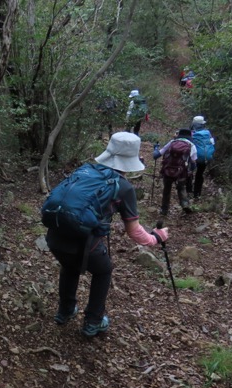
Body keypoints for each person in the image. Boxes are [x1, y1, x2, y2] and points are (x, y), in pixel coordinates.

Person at [46, 132, 168, 337]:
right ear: (129, 161)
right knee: (103, 271)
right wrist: (156, 237)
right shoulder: (124, 187)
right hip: (85, 244)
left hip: (55, 235)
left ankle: (65, 311)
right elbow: (135, 232)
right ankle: (93, 322)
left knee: (69, 266)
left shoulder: (85, 170)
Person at [154, 127, 197, 216]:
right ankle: (185, 204)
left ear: (179, 135)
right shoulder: (191, 145)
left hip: (167, 170)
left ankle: (164, 210)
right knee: (181, 188)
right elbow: (193, 163)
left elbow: (157, 155)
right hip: (181, 172)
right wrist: (190, 172)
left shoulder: (172, 143)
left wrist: (155, 148)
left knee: (166, 190)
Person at [186, 115, 215, 199]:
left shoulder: (192, 134)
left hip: (194, 157)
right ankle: (197, 194)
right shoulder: (208, 133)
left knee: (190, 172)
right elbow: (212, 143)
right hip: (205, 157)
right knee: (199, 174)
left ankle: (189, 190)